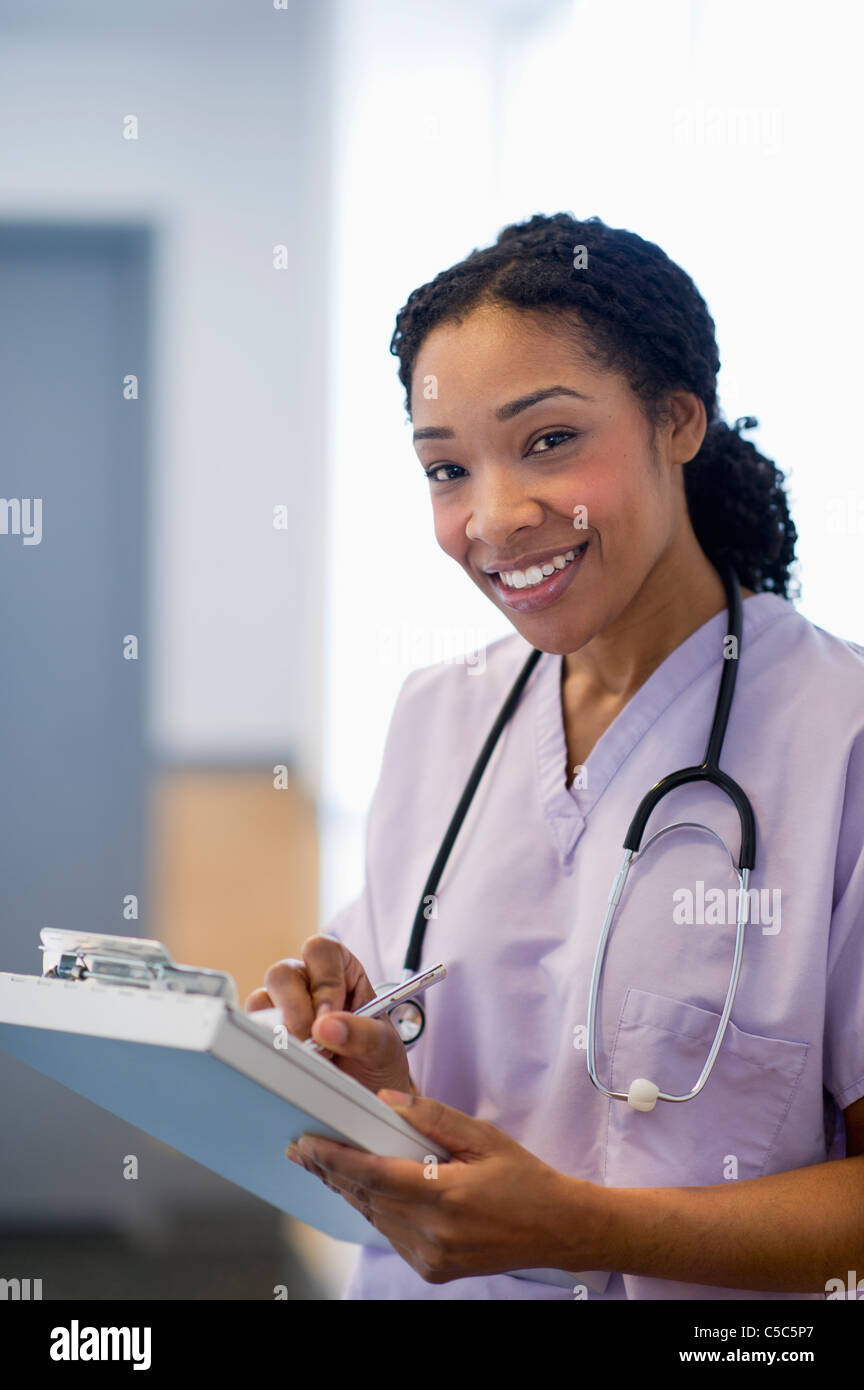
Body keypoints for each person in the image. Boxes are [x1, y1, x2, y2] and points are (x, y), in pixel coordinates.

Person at [247, 213, 864, 1300]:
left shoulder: (840, 740)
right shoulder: (439, 716)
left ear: (678, 421)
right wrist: (359, 1059)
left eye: (548, 441)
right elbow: (438, 1060)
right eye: (446, 469)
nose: (495, 517)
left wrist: (586, 1227)